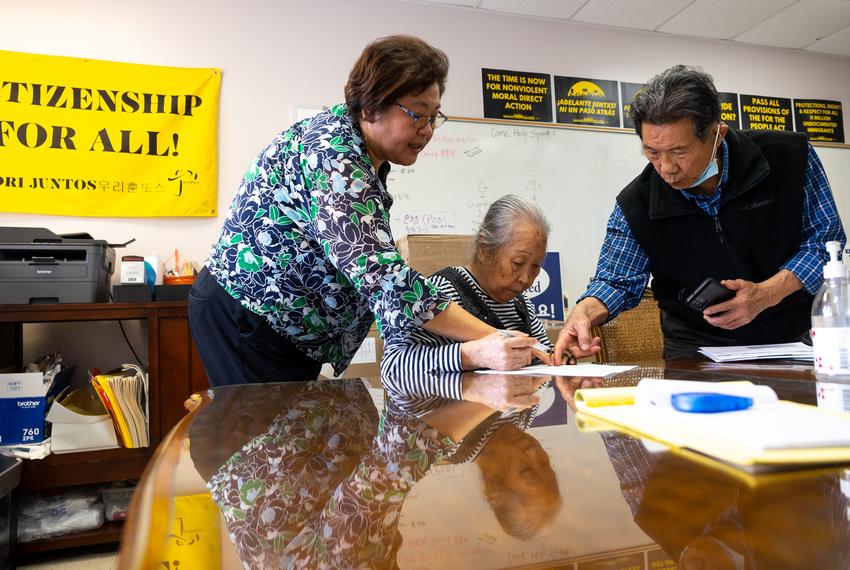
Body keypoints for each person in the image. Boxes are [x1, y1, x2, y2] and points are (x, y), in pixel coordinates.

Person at [189, 36, 540, 386]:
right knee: (261, 436)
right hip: (250, 318)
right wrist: (491, 337)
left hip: (283, 328)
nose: (428, 130)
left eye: (434, 117)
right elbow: (384, 277)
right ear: (372, 105)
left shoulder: (364, 157)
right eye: (418, 114)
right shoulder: (333, 155)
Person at [555, 64, 846, 362]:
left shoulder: (788, 158)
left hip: (795, 336)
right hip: (697, 347)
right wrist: (583, 313)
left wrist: (767, 294)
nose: (666, 168)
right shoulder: (638, 203)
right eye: (653, 153)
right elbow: (615, 280)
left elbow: (825, 242)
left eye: (679, 152)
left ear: (717, 134)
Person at [382, 194, 566, 396]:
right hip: (451, 421)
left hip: (508, 422)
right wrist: (470, 356)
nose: (526, 279)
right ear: (483, 249)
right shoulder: (443, 292)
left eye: (535, 267)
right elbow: (393, 368)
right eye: (518, 263)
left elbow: (542, 356)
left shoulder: (521, 304)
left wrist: (563, 356)